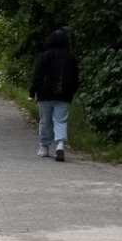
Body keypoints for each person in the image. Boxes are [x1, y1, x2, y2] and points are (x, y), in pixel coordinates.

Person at [29, 27, 80, 161]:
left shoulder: (45, 55)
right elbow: (75, 78)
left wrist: (32, 92)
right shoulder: (71, 57)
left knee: (45, 121)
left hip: (45, 94)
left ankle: (44, 147)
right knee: (60, 120)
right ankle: (60, 145)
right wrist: (72, 91)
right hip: (64, 95)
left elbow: (38, 75)